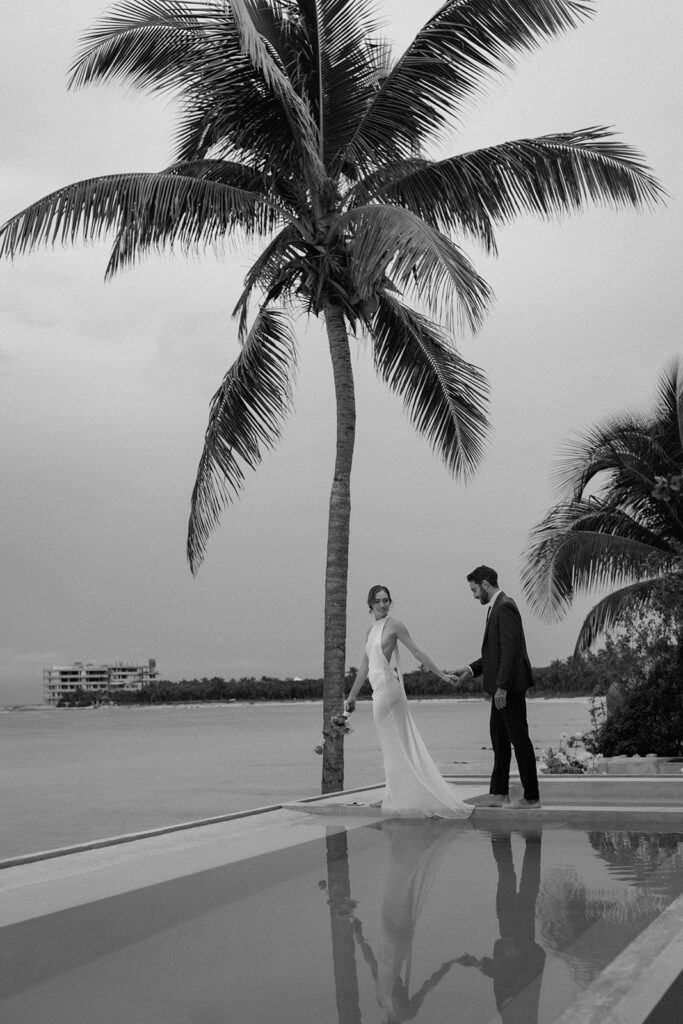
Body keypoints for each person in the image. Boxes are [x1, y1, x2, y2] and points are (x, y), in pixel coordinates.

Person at [345, 585, 472, 819]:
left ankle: (394, 796)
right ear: (370, 605)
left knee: (391, 741)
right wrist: (352, 695)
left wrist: (441, 675)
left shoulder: (394, 625)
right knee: (392, 742)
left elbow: (417, 652)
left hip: (388, 690)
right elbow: (365, 665)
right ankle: (394, 793)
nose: (383, 605)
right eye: (378, 601)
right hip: (377, 689)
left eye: (386, 600)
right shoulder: (370, 631)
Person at [455, 566, 540, 809]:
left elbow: (510, 652)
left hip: (509, 689)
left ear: (484, 584)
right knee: (499, 740)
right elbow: (493, 655)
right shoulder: (496, 608)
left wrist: (502, 688)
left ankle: (532, 797)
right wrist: (469, 671)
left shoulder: (505, 606)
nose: (473, 596)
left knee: (519, 740)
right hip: (500, 689)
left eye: (474, 590)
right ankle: (499, 793)